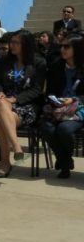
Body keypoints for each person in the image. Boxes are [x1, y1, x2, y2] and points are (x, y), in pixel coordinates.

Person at [0, 30, 46, 178]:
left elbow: (37, 89)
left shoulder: (38, 62)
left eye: (16, 42)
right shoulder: (4, 61)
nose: (12, 45)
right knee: (1, 103)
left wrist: (15, 99)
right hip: (3, 102)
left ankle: (5, 163)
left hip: (27, 105)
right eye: (11, 42)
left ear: (26, 44)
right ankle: (16, 146)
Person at [39, 34, 84, 179]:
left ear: (77, 49)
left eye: (67, 47)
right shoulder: (56, 66)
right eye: (61, 46)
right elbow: (50, 90)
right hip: (57, 108)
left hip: (79, 109)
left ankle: (64, 161)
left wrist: (73, 100)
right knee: (46, 127)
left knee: (64, 129)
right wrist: (54, 99)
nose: (62, 50)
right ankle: (65, 160)